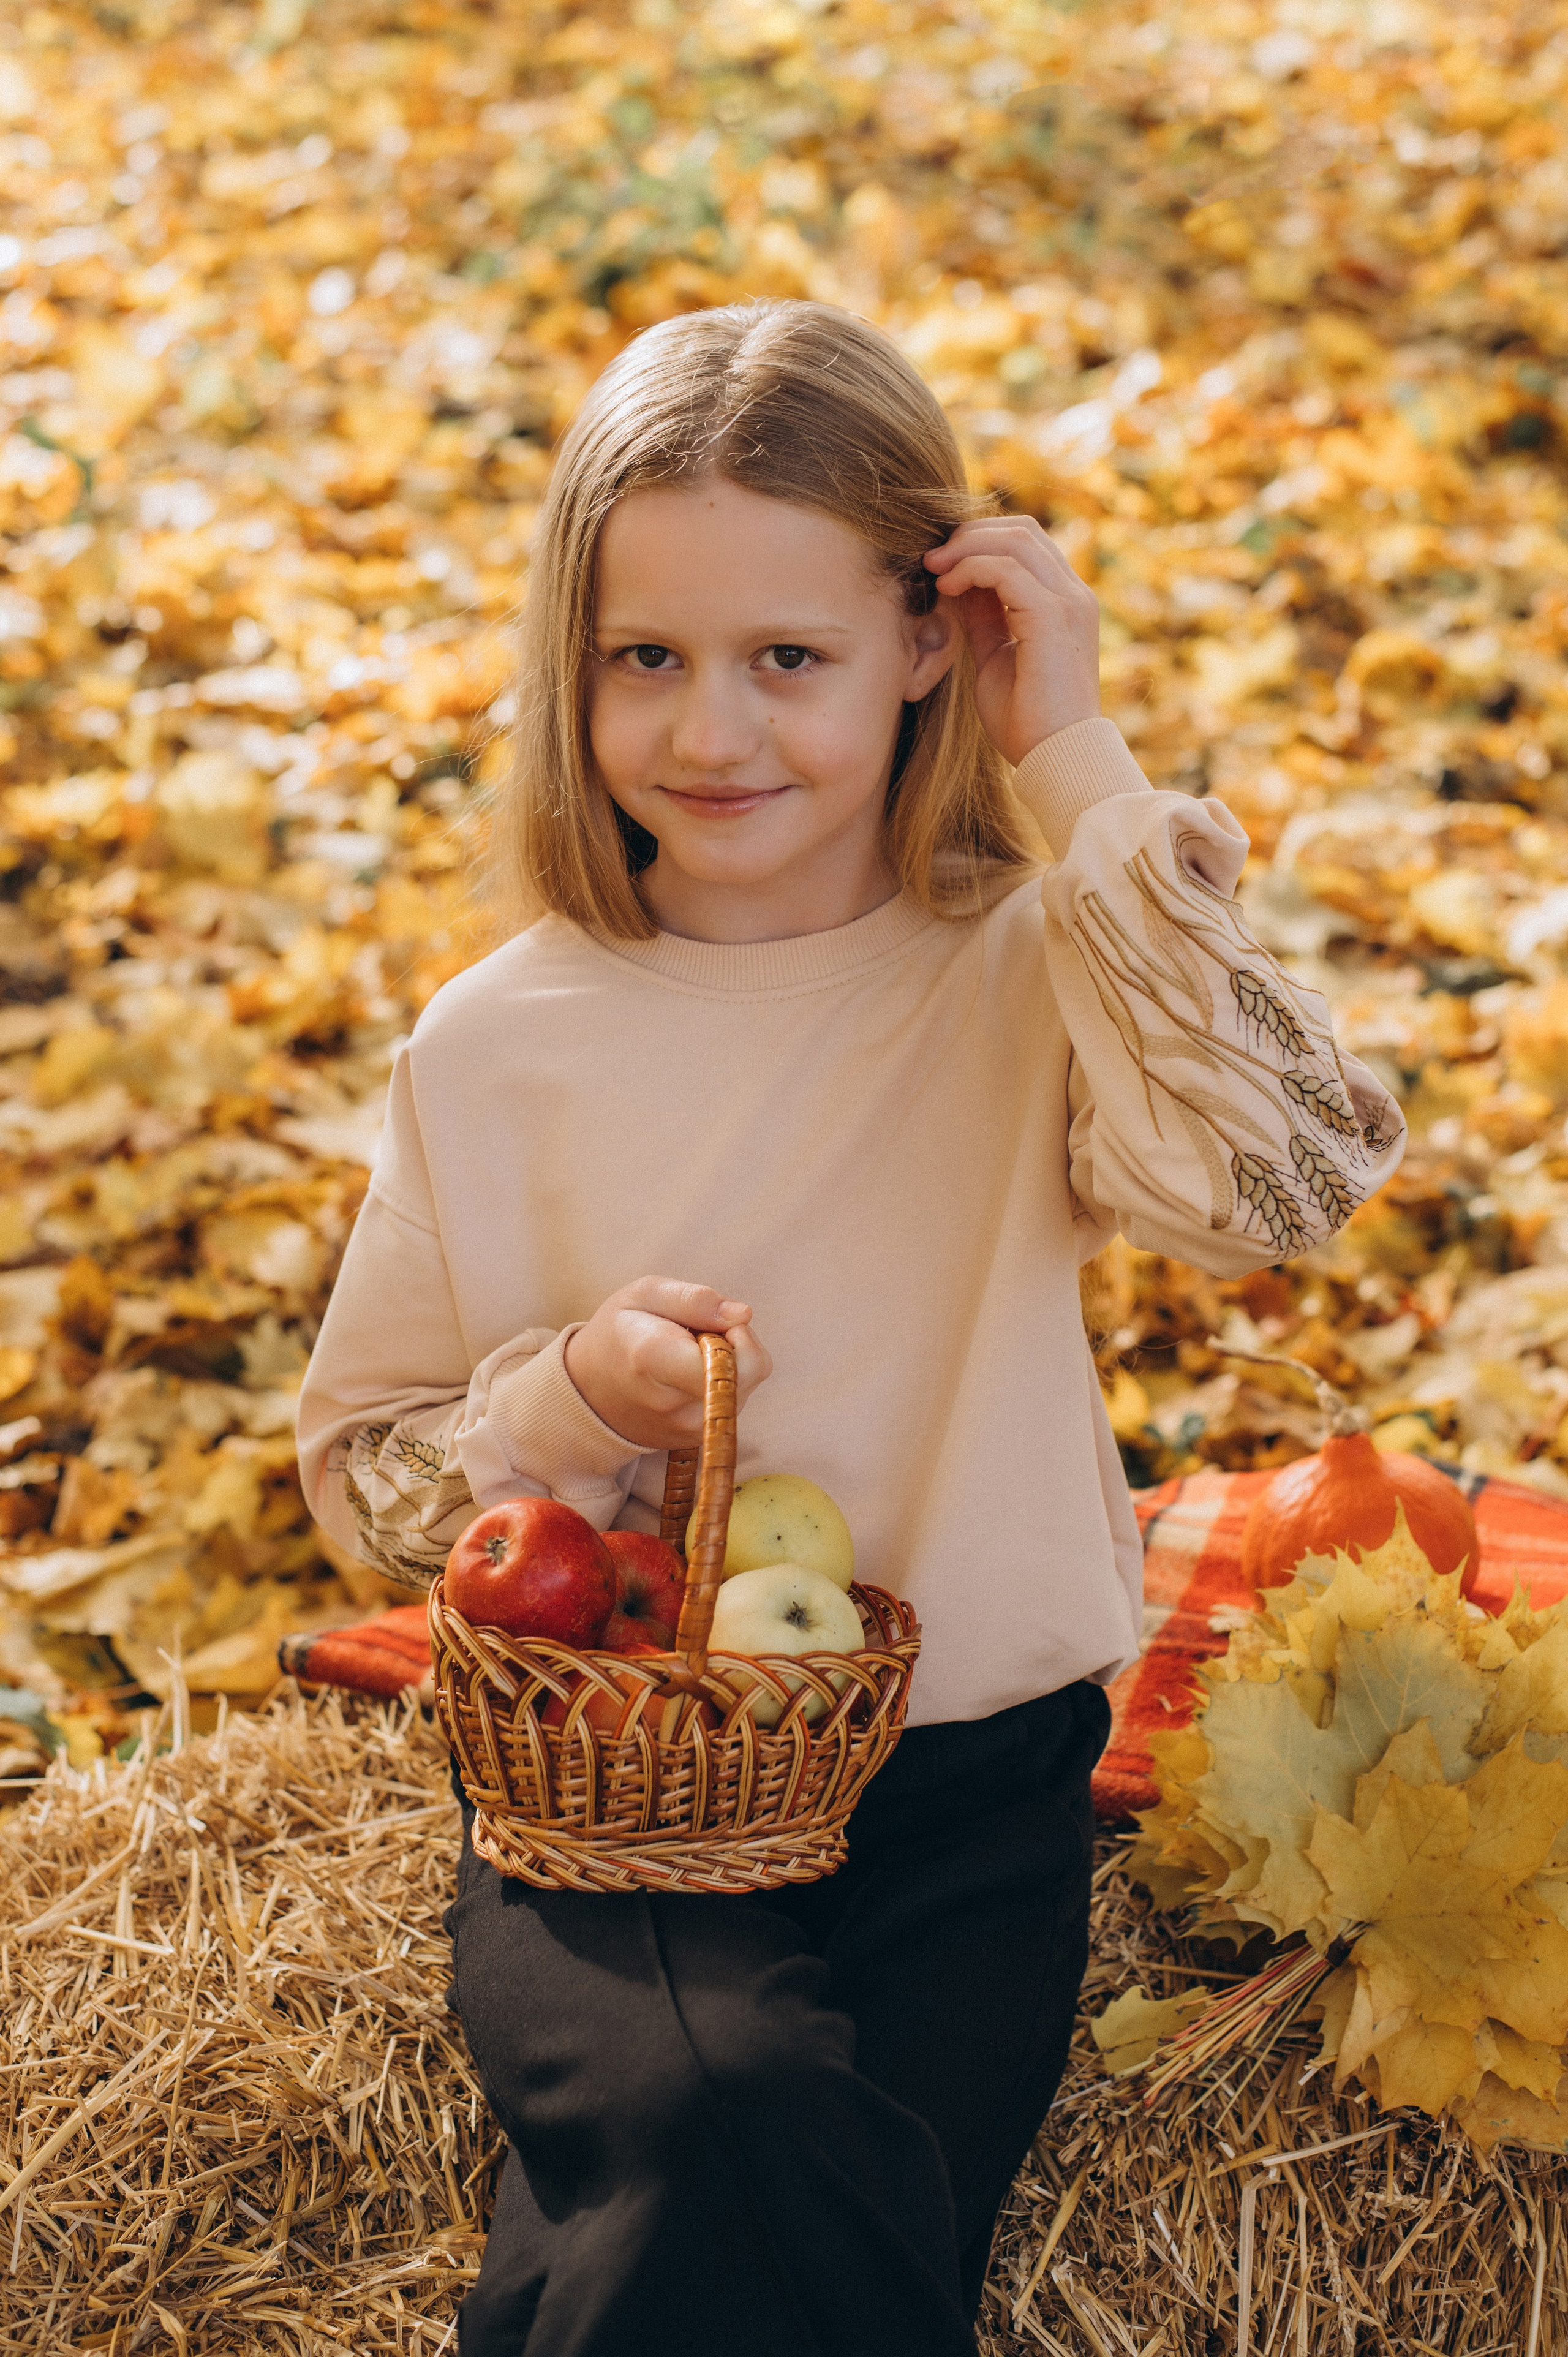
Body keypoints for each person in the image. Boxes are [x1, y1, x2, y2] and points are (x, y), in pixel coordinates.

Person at [296, 298, 1404, 2355]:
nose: (715, 734)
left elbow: (1286, 1191)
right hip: (611, 1784)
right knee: (711, 2109)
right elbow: (365, 1481)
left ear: (926, 644)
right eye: (650, 660)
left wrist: (1071, 755)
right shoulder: (497, 1041)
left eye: (787, 659)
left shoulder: (1025, 973)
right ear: (576, 668)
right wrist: (562, 1400)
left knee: (762, 2189)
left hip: (966, 1778)